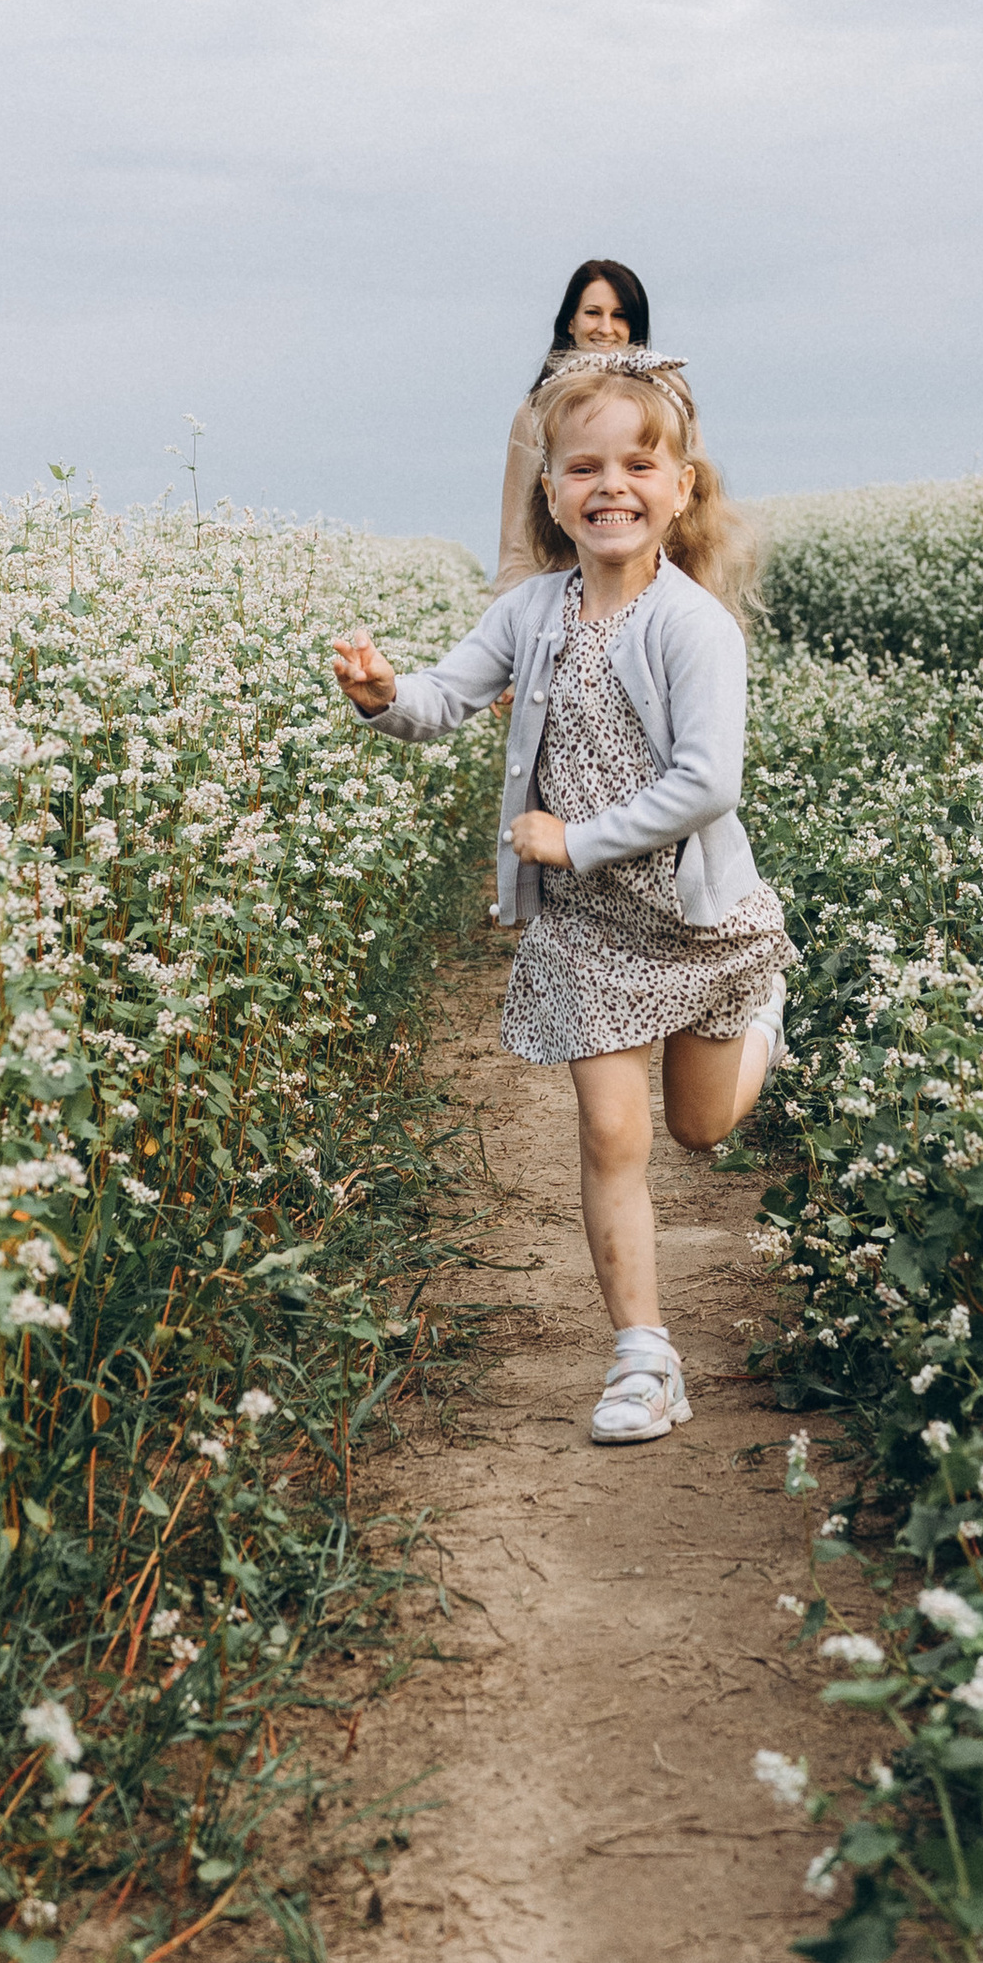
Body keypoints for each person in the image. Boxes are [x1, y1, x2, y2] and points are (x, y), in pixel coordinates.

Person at [334, 348, 791, 1448]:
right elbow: (448, 695)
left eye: (639, 464)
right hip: (589, 928)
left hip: (693, 920)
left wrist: (572, 838)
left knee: (698, 1128)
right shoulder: (534, 610)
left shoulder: (692, 627)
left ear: (681, 489)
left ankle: (763, 1018)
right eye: (583, 467)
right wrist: (387, 695)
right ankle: (644, 1358)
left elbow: (706, 782)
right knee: (609, 1133)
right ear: (551, 494)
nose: (611, 486)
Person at [492, 259, 651, 595]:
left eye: (620, 315)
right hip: (564, 605)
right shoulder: (536, 412)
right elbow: (516, 542)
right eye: (593, 313)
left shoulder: (667, 406)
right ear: (570, 322)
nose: (606, 328)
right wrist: (516, 625)